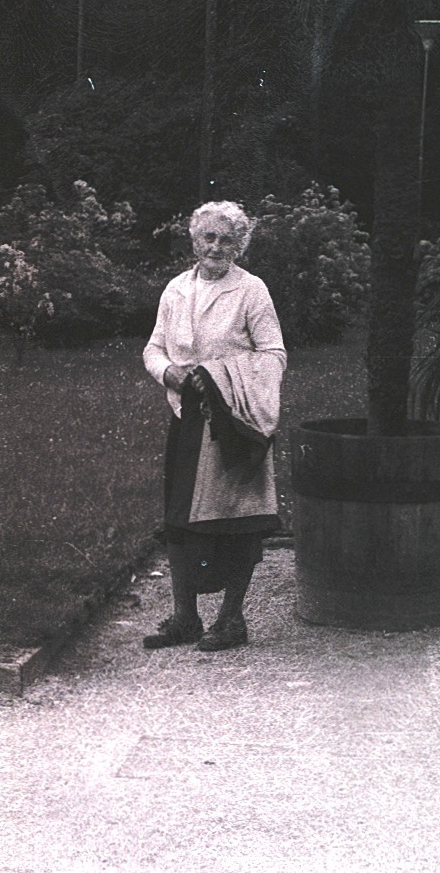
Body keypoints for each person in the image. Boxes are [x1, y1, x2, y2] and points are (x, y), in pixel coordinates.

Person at [141, 201, 287, 651]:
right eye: (209, 237)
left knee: (236, 521)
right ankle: (185, 617)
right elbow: (154, 348)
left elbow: (274, 355)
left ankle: (231, 619)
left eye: (227, 239)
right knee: (181, 520)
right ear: (195, 240)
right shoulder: (176, 290)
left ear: (240, 244)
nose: (217, 246)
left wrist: (222, 378)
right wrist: (170, 373)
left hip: (234, 424)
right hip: (188, 420)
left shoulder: (251, 291)